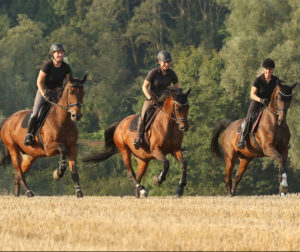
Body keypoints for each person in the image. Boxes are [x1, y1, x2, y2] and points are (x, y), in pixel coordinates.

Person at [24, 42, 72, 146]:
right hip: (44, 92)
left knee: (67, 112)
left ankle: (69, 137)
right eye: (57, 53)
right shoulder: (48, 66)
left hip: (57, 93)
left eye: (61, 53)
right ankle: (29, 135)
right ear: (53, 54)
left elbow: (69, 82)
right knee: (36, 113)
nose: (60, 55)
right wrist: (44, 94)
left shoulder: (66, 67)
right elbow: (39, 82)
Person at [133, 50, 180, 149]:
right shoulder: (153, 72)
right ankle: (138, 137)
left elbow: (177, 88)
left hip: (165, 101)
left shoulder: (172, 74)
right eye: (164, 62)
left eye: (168, 62)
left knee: (177, 116)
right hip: (152, 100)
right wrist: (150, 98)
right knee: (144, 114)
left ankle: (178, 141)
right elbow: (144, 87)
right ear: (159, 62)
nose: (166, 64)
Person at [237, 58, 279, 149]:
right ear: (264, 69)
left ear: (273, 70)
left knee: (280, 117)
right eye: (267, 70)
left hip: (269, 104)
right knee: (249, 118)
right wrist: (260, 100)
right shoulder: (258, 80)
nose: (269, 72)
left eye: (271, 70)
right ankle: (242, 139)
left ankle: (283, 140)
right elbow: (252, 94)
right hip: (257, 103)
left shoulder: (275, 80)